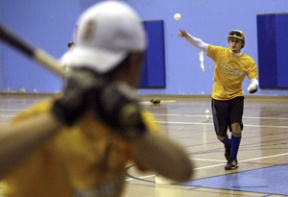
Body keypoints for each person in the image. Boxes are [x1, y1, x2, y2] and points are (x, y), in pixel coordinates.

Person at [0, 1, 193, 196]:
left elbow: (182, 170)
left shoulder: (124, 121)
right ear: (134, 63)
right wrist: (61, 113)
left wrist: (134, 128)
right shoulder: (43, 122)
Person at [179, 29, 258, 170]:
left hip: (236, 97)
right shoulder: (219, 53)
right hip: (219, 98)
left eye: (237, 41)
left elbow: (253, 78)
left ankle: (232, 159)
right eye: (232, 40)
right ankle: (229, 146)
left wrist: (253, 85)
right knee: (221, 136)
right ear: (229, 42)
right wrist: (187, 36)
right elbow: (200, 44)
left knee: (236, 128)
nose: (234, 43)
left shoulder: (248, 61)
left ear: (242, 44)